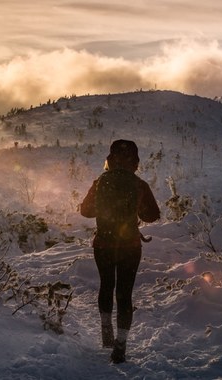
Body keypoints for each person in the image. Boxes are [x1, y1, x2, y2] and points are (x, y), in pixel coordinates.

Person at [80, 139, 160, 363]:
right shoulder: (139, 184)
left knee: (106, 286)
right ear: (135, 162)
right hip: (130, 246)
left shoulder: (100, 182)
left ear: (110, 159)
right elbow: (152, 215)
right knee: (124, 295)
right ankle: (121, 345)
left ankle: (107, 333)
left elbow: (85, 212)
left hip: (103, 245)